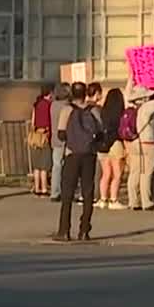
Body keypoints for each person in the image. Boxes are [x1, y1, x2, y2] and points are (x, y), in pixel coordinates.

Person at [53, 82, 104, 242]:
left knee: (67, 193)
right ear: (85, 94)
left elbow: (61, 134)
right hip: (89, 154)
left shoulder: (67, 110)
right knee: (87, 193)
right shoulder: (94, 110)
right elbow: (101, 132)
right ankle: (84, 230)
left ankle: (64, 230)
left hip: (72, 154)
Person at [123, 72, 154, 212]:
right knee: (146, 173)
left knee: (134, 172)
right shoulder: (146, 108)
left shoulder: (129, 105)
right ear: (144, 97)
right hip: (147, 143)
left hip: (133, 143)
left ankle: (133, 201)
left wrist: (131, 77)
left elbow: (127, 91)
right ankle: (146, 201)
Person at [97, 88, 128, 210]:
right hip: (115, 143)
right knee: (117, 173)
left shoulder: (103, 112)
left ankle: (103, 198)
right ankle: (113, 199)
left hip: (103, 144)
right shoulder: (119, 114)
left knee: (106, 173)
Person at [29, 84, 54, 197]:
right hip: (45, 135)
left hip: (35, 136)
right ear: (50, 93)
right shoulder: (49, 105)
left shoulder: (36, 104)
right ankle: (44, 188)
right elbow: (50, 121)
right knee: (44, 165)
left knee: (37, 165)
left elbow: (32, 121)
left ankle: (37, 187)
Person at [48, 83, 71, 201]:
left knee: (56, 165)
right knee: (67, 167)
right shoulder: (66, 107)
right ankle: (64, 190)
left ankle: (55, 191)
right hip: (66, 139)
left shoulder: (53, 105)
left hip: (55, 139)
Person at [86, 82, 105, 204]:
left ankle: (86, 193)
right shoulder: (96, 109)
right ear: (97, 93)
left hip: (83, 141)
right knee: (97, 171)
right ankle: (95, 194)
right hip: (95, 141)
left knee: (86, 171)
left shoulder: (82, 107)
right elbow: (101, 124)